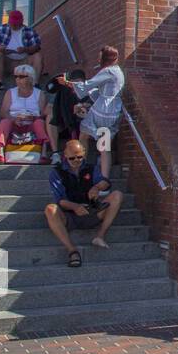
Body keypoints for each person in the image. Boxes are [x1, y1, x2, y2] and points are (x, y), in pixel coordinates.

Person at [44, 139, 124, 267]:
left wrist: (97, 187)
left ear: (84, 153)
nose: (76, 161)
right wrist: (75, 207)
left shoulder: (91, 168)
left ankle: (100, 235)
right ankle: (72, 250)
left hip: (91, 210)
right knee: (50, 209)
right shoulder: (57, 172)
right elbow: (59, 199)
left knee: (117, 195)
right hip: (69, 215)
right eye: (72, 158)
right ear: (65, 155)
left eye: (80, 157)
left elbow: (106, 182)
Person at [56, 45, 124, 179]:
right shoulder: (118, 72)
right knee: (104, 147)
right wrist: (86, 104)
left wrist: (67, 83)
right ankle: (105, 180)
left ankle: (81, 169)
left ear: (105, 57)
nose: (98, 58)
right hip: (114, 111)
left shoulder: (108, 71)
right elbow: (101, 93)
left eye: (100, 56)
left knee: (83, 133)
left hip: (103, 111)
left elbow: (87, 86)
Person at [0, 64, 50, 164]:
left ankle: (44, 153)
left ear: (30, 78)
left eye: (21, 77)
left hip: (32, 123)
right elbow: (3, 112)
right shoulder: (10, 92)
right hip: (14, 122)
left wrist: (33, 117)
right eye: (16, 77)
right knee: (4, 122)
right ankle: (0, 151)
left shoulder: (39, 94)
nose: (18, 79)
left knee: (40, 123)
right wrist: (14, 119)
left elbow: (42, 114)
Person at [0, 10, 43, 90]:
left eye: (16, 23)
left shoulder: (29, 31)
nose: (13, 25)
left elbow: (37, 47)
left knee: (38, 56)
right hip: (6, 62)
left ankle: (35, 84)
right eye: (12, 23)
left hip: (24, 62)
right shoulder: (1, 29)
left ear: (21, 22)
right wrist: (0, 47)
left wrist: (25, 49)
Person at [44, 68, 86, 164]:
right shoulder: (62, 91)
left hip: (81, 123)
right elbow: (45, 110)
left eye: (79, 84)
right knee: (50, 116)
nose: (75, 86)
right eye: (74, 83)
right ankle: (55, 153)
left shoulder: (88, 91)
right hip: (63, 125)